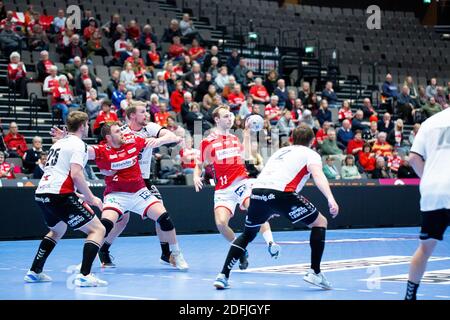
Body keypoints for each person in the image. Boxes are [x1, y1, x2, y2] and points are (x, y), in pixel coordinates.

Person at [213, 124, 339, 290]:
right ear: (312, 141)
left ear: (292, 138)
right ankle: (315, 272)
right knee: (320, 222)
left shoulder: (280, 152)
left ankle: (223, 276)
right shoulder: (311, 154)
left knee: (247, 234)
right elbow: (318, 175)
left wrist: (271, 206)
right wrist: (330, 198)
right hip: (281, 193)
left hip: (257, 192)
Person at [95, 103, 188, 269]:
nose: (147, 115)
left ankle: (166, 253)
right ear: (132, 116)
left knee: (161, 214)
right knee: (122, 221)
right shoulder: (121, 132)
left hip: (143, 180)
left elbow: (171, 136)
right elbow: (105, 150)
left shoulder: (150, 128)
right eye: (143, 112)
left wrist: (156, 141)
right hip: (121, 181)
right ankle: (103, 249)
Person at [24, 111, 107, 287]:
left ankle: (34, 271)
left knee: (57, 229)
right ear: (83, 125)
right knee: (98, 229)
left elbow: (58, 172)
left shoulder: (59, 143)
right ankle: (85, 275)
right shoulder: (79, 145)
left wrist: (77, 194)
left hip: (43, 193)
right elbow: (76, 174)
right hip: (59, 194)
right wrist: (91, 198)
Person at [194, 105, 280, 270]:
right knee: (220, 223)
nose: (230, 119)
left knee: (255, 210)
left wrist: (247, 133)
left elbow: (245, 155)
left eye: (230, 116)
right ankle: (240, 250)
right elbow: (199, 164)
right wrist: (196, 176)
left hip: (242, 183)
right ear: (217, 119)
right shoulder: (207, 141)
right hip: (223, 189)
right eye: (226, 116)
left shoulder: (234, 138)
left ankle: (271, 243)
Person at [405, 107, 450, 300]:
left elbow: (413, 158)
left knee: (424, 249)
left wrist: (429, 178)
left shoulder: (430, 122)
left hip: (433, 191)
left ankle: (409, 297)